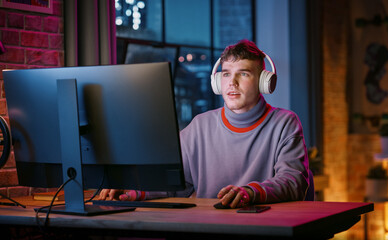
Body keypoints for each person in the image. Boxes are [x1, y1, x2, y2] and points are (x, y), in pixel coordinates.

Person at [100, 39, 309, 208]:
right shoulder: (200, 126)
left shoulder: (284, 123)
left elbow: (292, 181)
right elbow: (174, 183)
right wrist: (133, 190)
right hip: (207, 228)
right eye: (226, 74)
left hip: (262, 230)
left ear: (265, 82)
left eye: (243, 74)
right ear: (217, 82)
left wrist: (250, 192)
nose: (232, 83)